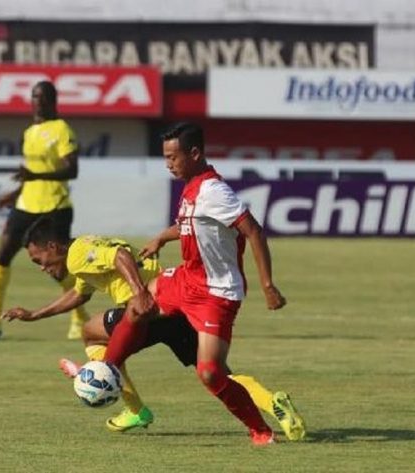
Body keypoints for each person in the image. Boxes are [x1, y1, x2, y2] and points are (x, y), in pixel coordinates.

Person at [2, 218, 306, 440]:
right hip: (173, 308)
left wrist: (139, 293)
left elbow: (120, 256)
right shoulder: (82, 256)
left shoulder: (78, 254)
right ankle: (272, 401)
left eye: (39, 259)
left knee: (91, 333)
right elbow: (79, 294)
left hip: (146, 308)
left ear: (52, 246)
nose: (41, 267)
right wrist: (34, 315)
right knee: (217, 373)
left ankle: (133, 408)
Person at [100, 122, 290, 445]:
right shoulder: (191, 186)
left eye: (173, 157)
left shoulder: (214, 191)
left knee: (210, 372)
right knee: (138, 305)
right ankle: (106, 371)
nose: (168, 164)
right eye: (165, 157)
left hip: (217, 292)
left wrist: (268, 285)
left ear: (195, 154)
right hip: (187, 279)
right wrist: (162, 237)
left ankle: (260, 430)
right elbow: (188, 224)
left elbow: (254, 231)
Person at [0, 80, 88, 339]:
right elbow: (30, 173)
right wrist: (15, 193)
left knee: (59, 268)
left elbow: (72, 170)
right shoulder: (30, 132)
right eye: (34, 97)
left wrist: (34, 176)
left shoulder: (62, 129)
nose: (37, 102)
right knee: (2, 256)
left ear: (53, 101)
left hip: (54, 206)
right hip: (25, 205)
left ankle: (79, 319)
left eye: (42, 97)